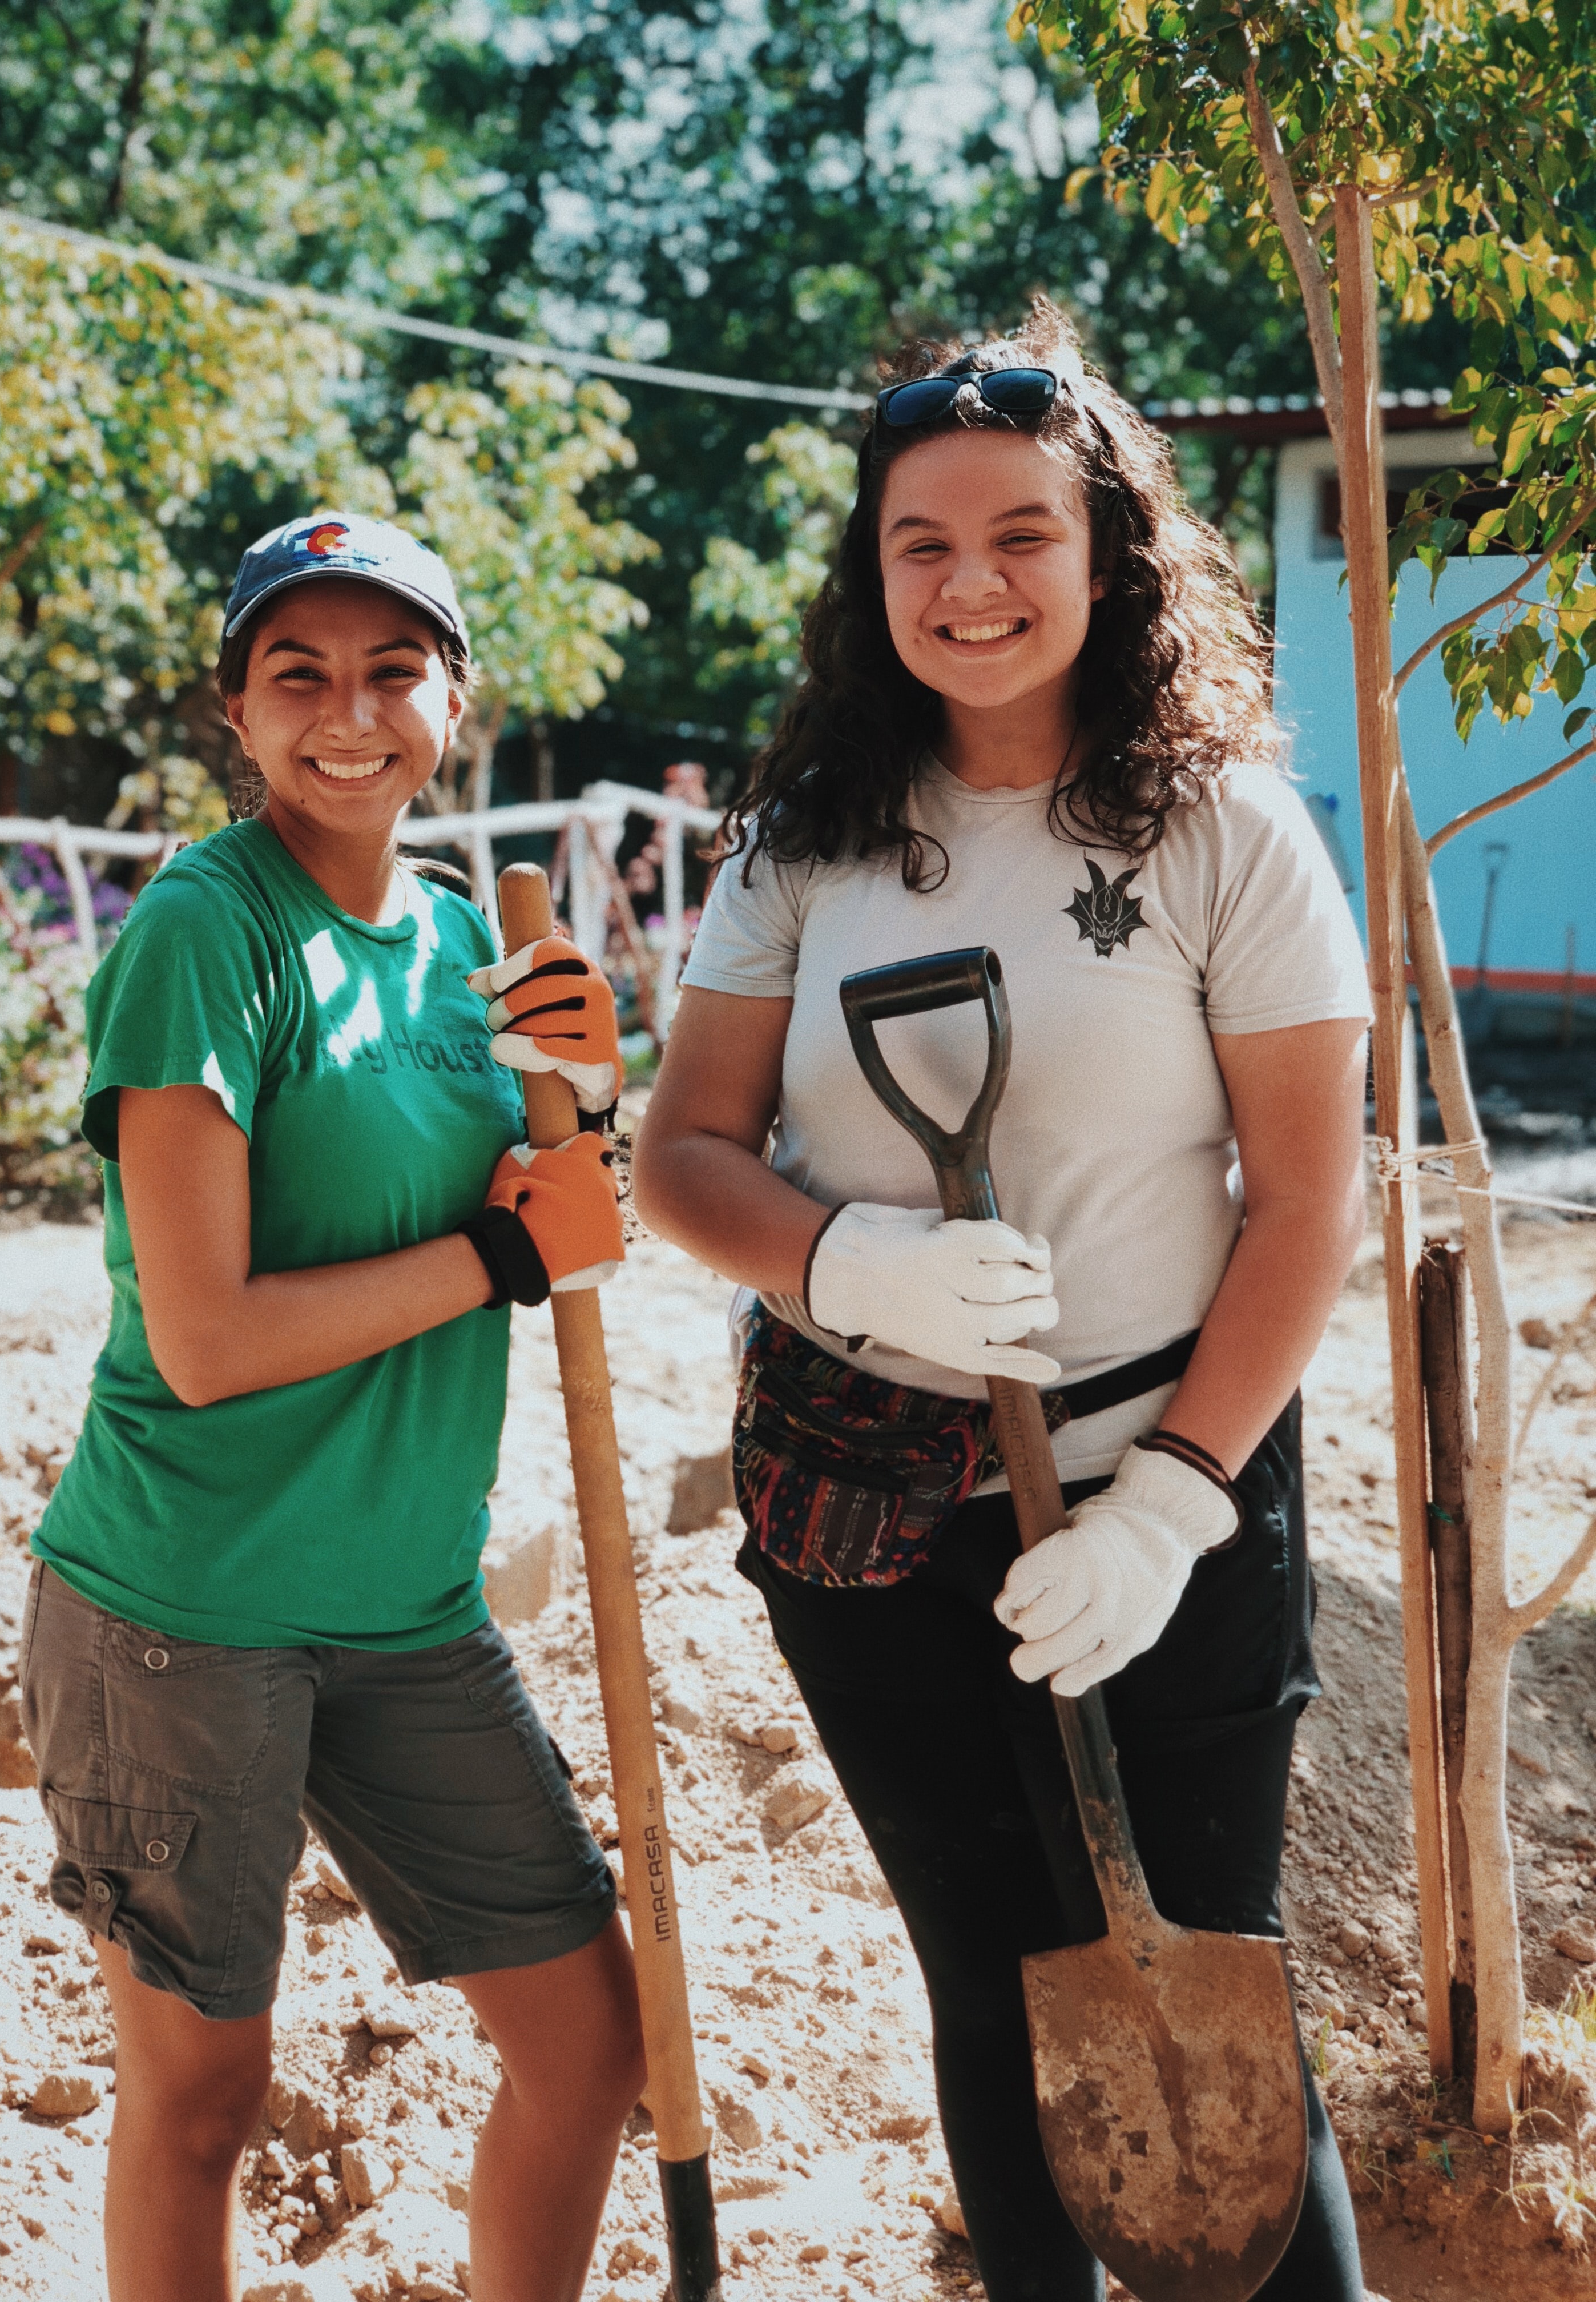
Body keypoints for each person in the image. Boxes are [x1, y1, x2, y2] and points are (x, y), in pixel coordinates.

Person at [632, 308, 1372, 2301]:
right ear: (870, 574)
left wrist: (1177, 1504)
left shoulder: (1223, 824)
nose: (970, 586)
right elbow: (678, 1151)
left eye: (1021, 536)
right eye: (921, 545)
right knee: (985, 1981)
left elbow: (1309, 1197)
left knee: (1211, 1982)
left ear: (1111, 550)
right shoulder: (808, 848)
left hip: (1164, 1492)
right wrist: (840, 1256)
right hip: (867, 1508)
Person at [20, 512, 643, 2302]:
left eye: (393, 670)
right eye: (299, 674)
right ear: (238, 710)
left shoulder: (473, 951)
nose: (348, 711)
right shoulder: (205, 936)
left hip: (408, 1612)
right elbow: (205, 1336)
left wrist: (582, 1097)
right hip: (180, 1614)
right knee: (206, 2094)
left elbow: (566, 1223)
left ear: (458, 698)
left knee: (590, 2044)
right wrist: (504, 1263)